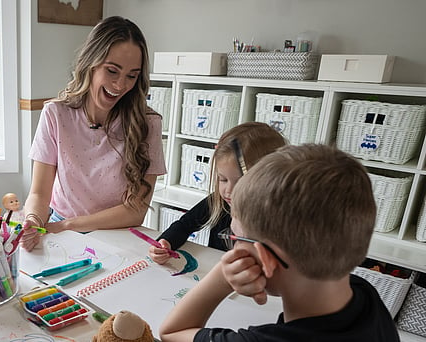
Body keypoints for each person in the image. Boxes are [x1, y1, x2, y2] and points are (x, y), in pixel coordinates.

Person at [159, 144, 400, 342]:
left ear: (265, 258)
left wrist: (223, 274)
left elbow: (171, 332)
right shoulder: (366, 296)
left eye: (234, 238)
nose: (232, 246)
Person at [21, 16, 166, 252]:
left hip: (117, 235)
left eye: (132, 75)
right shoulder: (55, 114)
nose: (120, 85)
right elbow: (39, 193)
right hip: (60, 229)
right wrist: (34, 220)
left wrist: (70, 225)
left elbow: (136, 210)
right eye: (112, 71)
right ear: (91, 63)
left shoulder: (147, 123)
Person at [149, 122, 287, 264]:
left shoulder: (277, 220)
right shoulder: (220, 202)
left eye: (240, 182)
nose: (228, 191)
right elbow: (185, 225)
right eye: (223, 179)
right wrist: (165, 243)